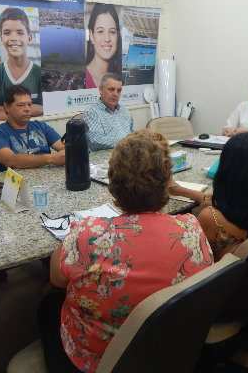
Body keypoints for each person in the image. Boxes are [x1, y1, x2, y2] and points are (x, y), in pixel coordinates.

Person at [39, 129, 213, 372]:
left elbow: (57, 279)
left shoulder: (87, 233)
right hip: (165, 350)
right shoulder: (192, 229)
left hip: (97, 361)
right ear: (167, 184)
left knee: (48, 304)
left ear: (112, 183)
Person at [0, 85, 64, 172]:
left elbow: (64, 147)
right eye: (21, 105)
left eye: (29, 104)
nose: (27, 109)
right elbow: (10, 160)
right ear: (7, 107)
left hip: (46, 177)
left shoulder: (41, 126)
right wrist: (51, 159)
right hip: (17, 183)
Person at [0, 7, 43, 121]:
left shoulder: (41, 73)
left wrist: (7, 112)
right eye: (7, 33)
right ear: (1, 38)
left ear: (29, 38)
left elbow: (47, 111)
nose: (13, 38)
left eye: (20, 33)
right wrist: (34, 109)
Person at [82, 72, 133, 151]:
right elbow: (96, 141)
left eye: (119, 90)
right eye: (111, 89)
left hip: (127, 154)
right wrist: (127, 141)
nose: (115, 94)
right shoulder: (91, 112)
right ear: (100, 90)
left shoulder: (125, 111)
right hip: (103, 158)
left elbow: (132, 133)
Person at [85, 4, 122, 88]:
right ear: (91, 36)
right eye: (100, 31)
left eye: (112, 32)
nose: (107, 39)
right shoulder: (83, 79)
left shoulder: (120, 78)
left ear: (117, 35)